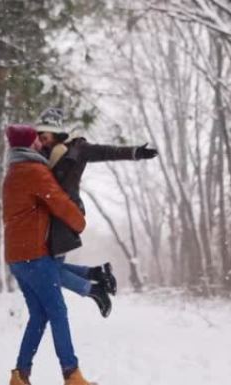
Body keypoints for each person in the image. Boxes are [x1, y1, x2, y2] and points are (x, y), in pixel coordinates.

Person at [35, 107, 159, 318]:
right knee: (49, 270)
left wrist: (134, 152)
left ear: (55, 133)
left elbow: (105, 151)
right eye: (39, 136)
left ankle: (94, 289)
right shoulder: (40, 155)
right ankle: (96, 274)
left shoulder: (77, 148)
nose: (41, 140)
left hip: (65, 217)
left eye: (44, 136)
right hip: (46, 218)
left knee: (47, 273)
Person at [3, 124, 94, 385]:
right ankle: (71, 374)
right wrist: (80, 223)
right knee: (57, 311)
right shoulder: (33, 171)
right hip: (35, 255)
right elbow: (58, 202)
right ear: (28, 145)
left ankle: (20, 375)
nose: (41, 144)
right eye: (36, 141)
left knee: (40, 314)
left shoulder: (13, 172)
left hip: (17, 257)